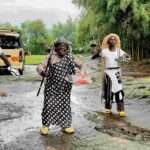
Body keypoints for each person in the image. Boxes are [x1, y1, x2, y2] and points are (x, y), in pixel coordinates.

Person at [40, 38, 82, 135]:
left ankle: (66, 125)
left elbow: (81, 65)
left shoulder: (71, 57)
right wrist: (42, 71)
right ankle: (45, 126)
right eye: (60, 47)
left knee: (65, 106)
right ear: (55, 48)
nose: (62, 49)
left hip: (65, 88)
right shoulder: (50, 57)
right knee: (49, 105)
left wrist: (80, 73)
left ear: (68, 49)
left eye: (65, 48)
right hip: (51, 87)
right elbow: (41, 66)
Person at [101, 33, 130, 117]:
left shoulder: (119, 51)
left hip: (117, 72)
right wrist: (103, 74)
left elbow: (128, 58)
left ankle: (121, 109)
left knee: (119, 90)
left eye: (114, 39)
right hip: (107, 73)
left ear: (116, 41)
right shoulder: (104, 51)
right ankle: (108, 108)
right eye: (111, 39)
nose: (113, 41)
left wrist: (120, 59)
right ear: (108, 41)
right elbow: (103, 64)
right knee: (108, 91)